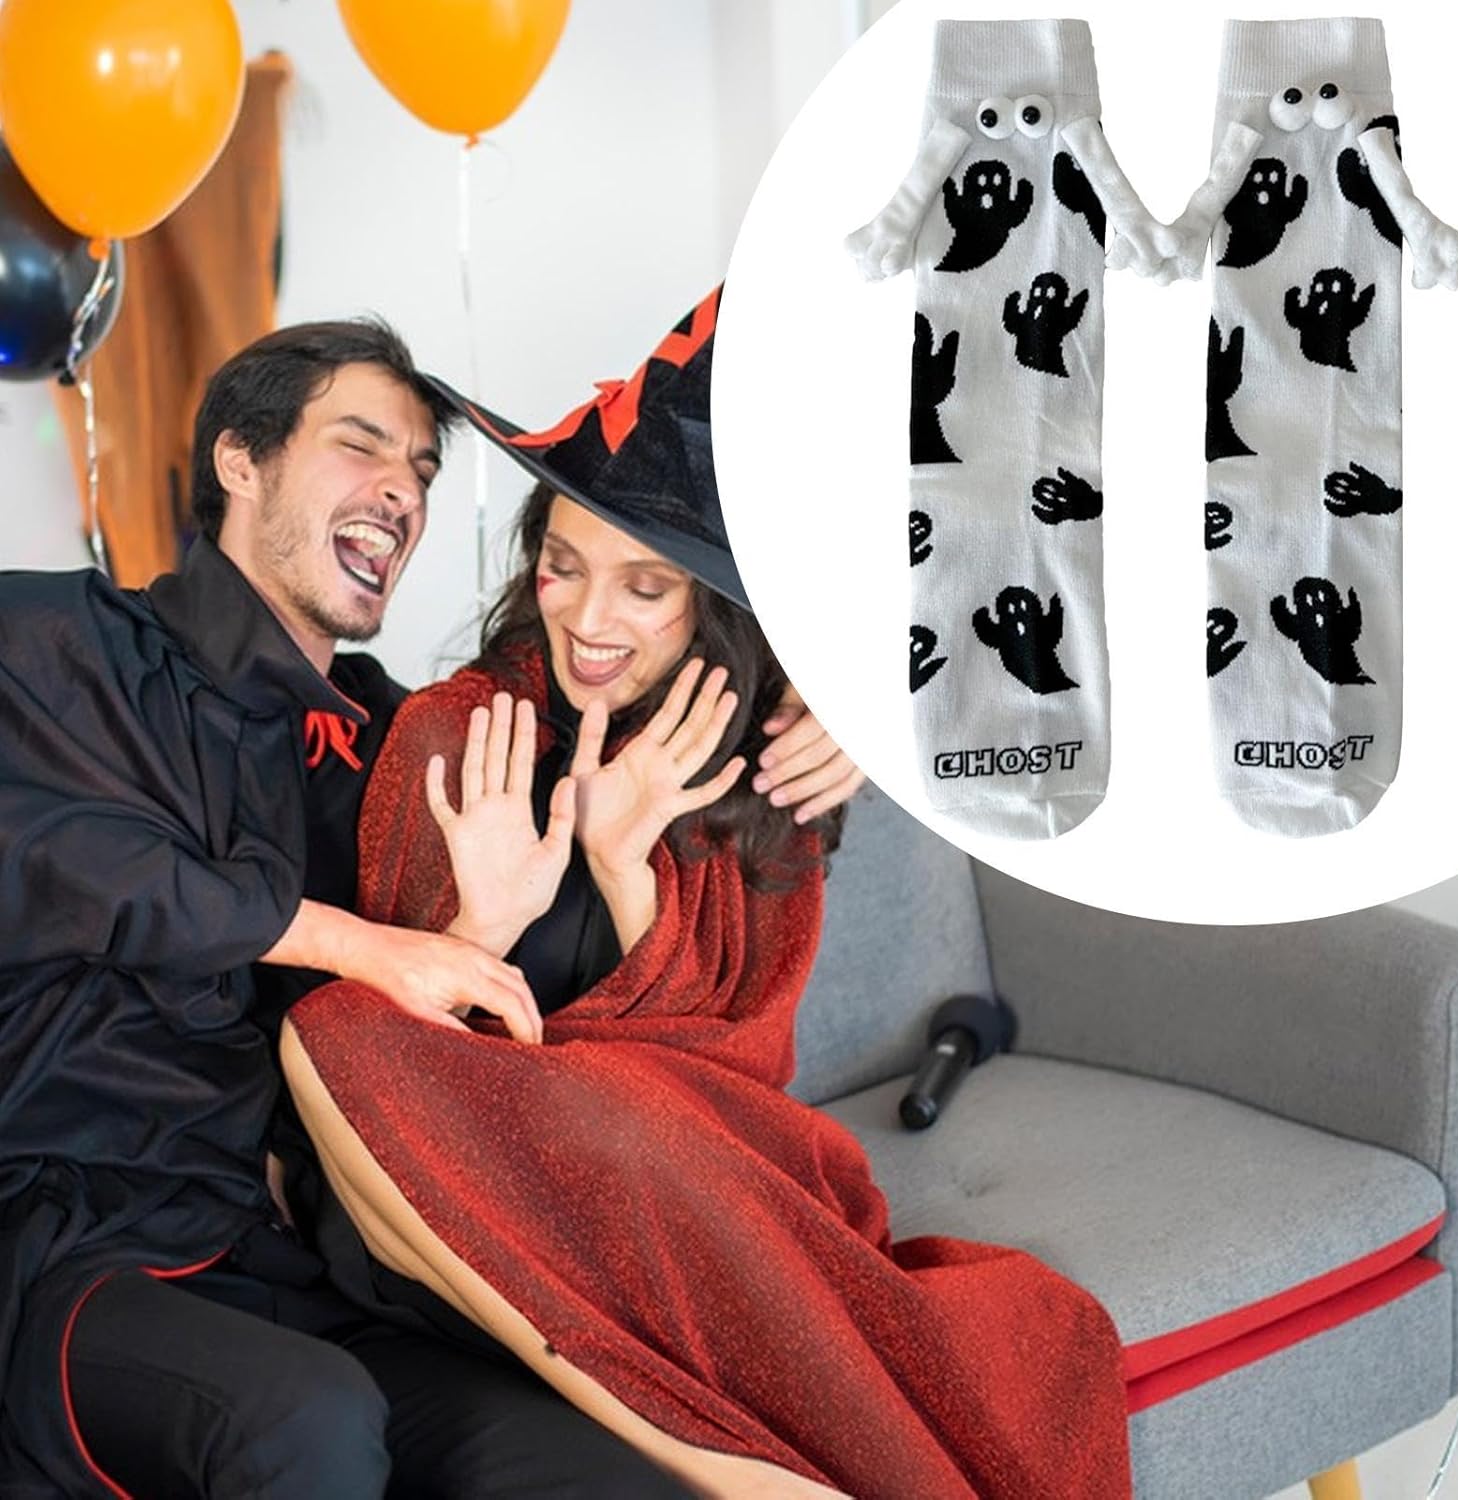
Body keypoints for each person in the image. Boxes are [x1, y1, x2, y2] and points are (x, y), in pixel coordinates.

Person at [283, 287, 1133, 1499]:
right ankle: (727, 1467)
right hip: (460, 1216)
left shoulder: (765, 758)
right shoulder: (458, 736)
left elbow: (743, 1077)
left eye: (644, 588)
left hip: (682, 1182)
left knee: (1009, 1325)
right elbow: (398, 1091)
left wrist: (629, 875)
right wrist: (486, 927)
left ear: (710, 601)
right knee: (341, 1031)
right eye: (563, 566)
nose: (588, 618)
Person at [0, 315, 861, 1498]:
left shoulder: (398, 741)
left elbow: (559, 1044)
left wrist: (819, 708)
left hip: (312, 1270)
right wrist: (362, 944)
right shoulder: (54, 641)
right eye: (362, 446)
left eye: (419, 470)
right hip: (82, 1245)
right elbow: (69, 864)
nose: (400, 492)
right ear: (240, 460)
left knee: (612, 1478)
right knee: (308, 1422)